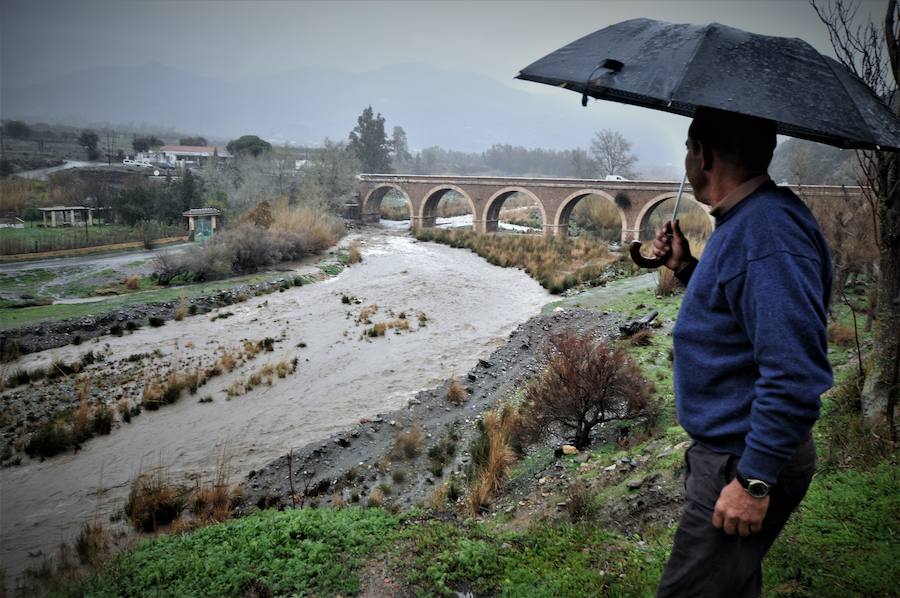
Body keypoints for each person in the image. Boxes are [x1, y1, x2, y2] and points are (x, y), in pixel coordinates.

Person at [654, 107, 833, 597]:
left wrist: (754, 480)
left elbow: (795, 370)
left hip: (742, 459)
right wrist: (688, 267)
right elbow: (742, 316)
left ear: (702, 155)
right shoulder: (751, 223)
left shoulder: (766, 234)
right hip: (734, 453)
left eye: (687, 150)